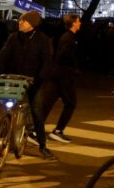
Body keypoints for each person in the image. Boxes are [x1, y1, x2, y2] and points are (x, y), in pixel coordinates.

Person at [0, 10, 55, 159]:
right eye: (20, 20)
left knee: (37, 111)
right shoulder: (14, 37)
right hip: (15, 78)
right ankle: (0, 137)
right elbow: (2, 55)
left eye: (23, 21)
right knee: (8, 109)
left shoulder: (43, 40)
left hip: (34, 80)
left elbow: (46, 62)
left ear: (31, 24)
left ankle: (42, 146)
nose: (20, 23)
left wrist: (39, 79)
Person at [41, 13, 81, 143]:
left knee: (48, 102)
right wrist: (74, 64)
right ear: (74, 23)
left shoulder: (66, 36)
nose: (80, 23)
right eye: (78, 21)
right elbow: (64, 55)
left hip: (56, 72)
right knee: (71, 103)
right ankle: (58, 131)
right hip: (64, 74)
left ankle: (34, 129)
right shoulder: (70, 38)